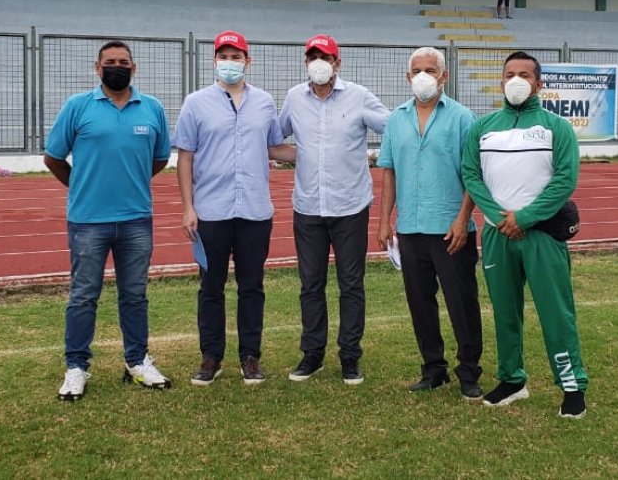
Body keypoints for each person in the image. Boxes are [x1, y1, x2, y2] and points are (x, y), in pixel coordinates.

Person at [461, 50, 589, 417]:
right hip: (498, 234)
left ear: (538, 83)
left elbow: (565, 179)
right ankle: (512, 380)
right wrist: (497, 216)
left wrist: (527, 217)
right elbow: (471, 174)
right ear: (501, 81)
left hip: (541, 236)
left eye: (525, 74)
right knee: (505, 313)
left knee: (556, 313)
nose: (516, 80)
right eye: (510, 74)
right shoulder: (482, 128)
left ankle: (572, 386)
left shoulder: (557, 127)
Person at [44, 40, 173, 400]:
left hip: (136, 220)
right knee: (84, 295)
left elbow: (159, 159)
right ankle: (76, 367)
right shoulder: (77, 106)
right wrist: (81, 185)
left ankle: (136, 362)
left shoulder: (152, 108)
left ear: (134, 68)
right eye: (110, 62)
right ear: (97, 68)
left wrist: (131, 183)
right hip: (88, 221)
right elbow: (53, 158)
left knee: (134, 295)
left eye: (124, 61)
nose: (117, 66)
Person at [174, 31, 294, 387]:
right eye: (224, 55)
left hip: (255, 211)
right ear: (215, 60)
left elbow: (275, 147)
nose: (230, 61)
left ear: (248, 60)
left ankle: (250, 357)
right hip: (211, 212)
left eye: (236, 55)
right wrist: (187, 207)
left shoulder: (264, 102)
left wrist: (321, 152)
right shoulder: (195, 103)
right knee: (211, 286)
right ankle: (211, 356)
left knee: (251, 286)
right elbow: (185, 157)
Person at [279, 34, 389, 385]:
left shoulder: (359, 96)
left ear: (337, 63)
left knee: (351, 284)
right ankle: (312, 354)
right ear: (305, 62)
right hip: (309, 207)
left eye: (324, 56)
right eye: (312, 57)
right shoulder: (295, 98)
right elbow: (273, 136)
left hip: (349, 207)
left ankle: (350, 356)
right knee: (310, 285)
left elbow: (391, 125)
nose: (318, 63)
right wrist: (303, 156)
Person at [376, 47, 484, 399]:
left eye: (430, 69)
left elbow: (472, 173)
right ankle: (433, 368)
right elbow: (389, 173)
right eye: (417, 70)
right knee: (420, 303)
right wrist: (384, 222)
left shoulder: (462, 118)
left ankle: (469, 371)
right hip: (410, 228)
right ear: (408, 78)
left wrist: (462, 218)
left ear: (444, 76)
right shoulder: (396, 119)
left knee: (461, 302)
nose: (423, 76)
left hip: (451, 230)